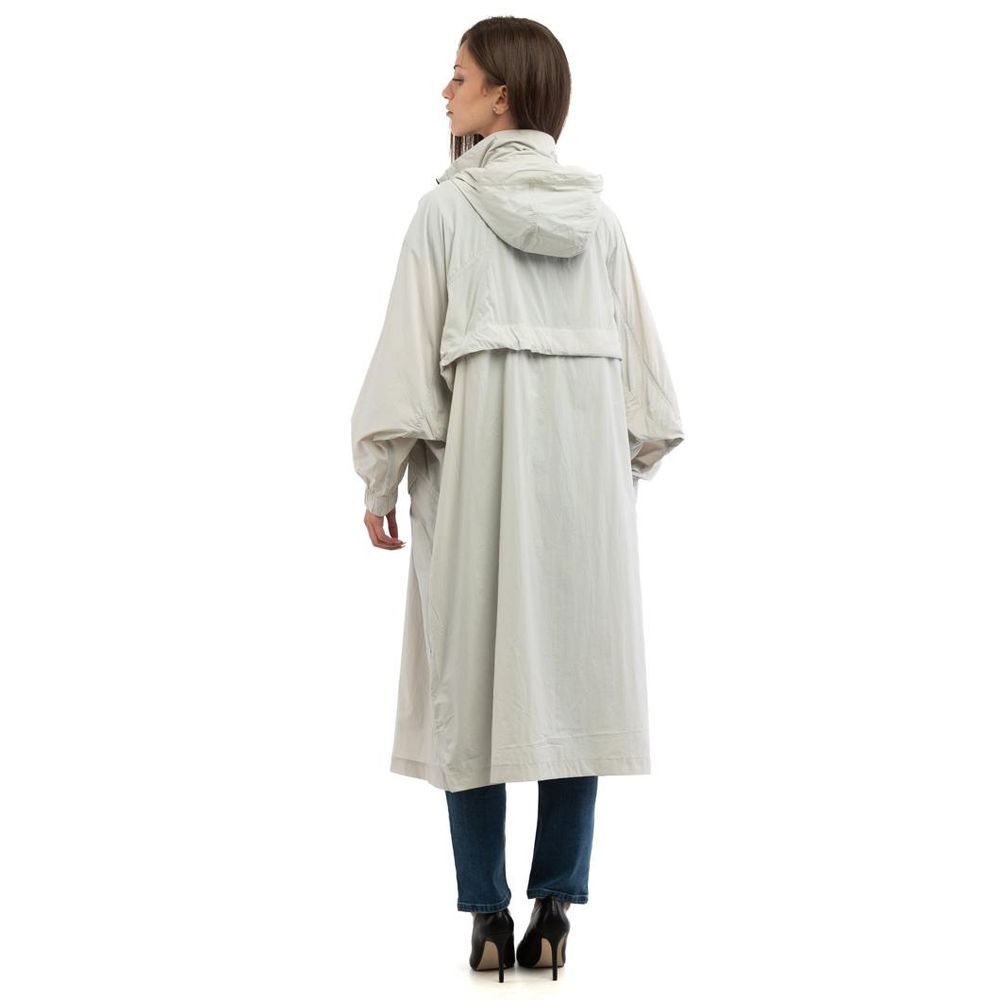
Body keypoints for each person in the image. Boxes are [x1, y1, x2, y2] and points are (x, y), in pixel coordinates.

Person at [350, 17, 684, 980]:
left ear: (502, 98)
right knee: (575, 687)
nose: (443, 92)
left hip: (477, 489)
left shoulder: (444, 214)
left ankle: (487, 916)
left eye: (458, 76)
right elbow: (652, 405)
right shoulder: (601, 225)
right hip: (584, 503)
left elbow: (405, 371)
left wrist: (379, 475)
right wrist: (601, 473)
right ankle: (556, 910)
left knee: (473, 689)